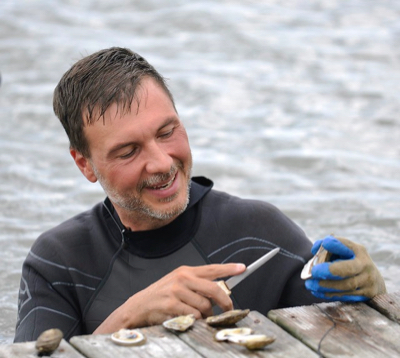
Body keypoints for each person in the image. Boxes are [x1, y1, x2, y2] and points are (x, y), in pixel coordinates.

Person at [14, 47, 386, 342]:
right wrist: (130, 317)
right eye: (128, 151)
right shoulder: (57, 264)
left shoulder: (260, 233)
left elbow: (354, 340)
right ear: (85, 165)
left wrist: (371, 290)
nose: (161, 163)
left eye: (166, 132)